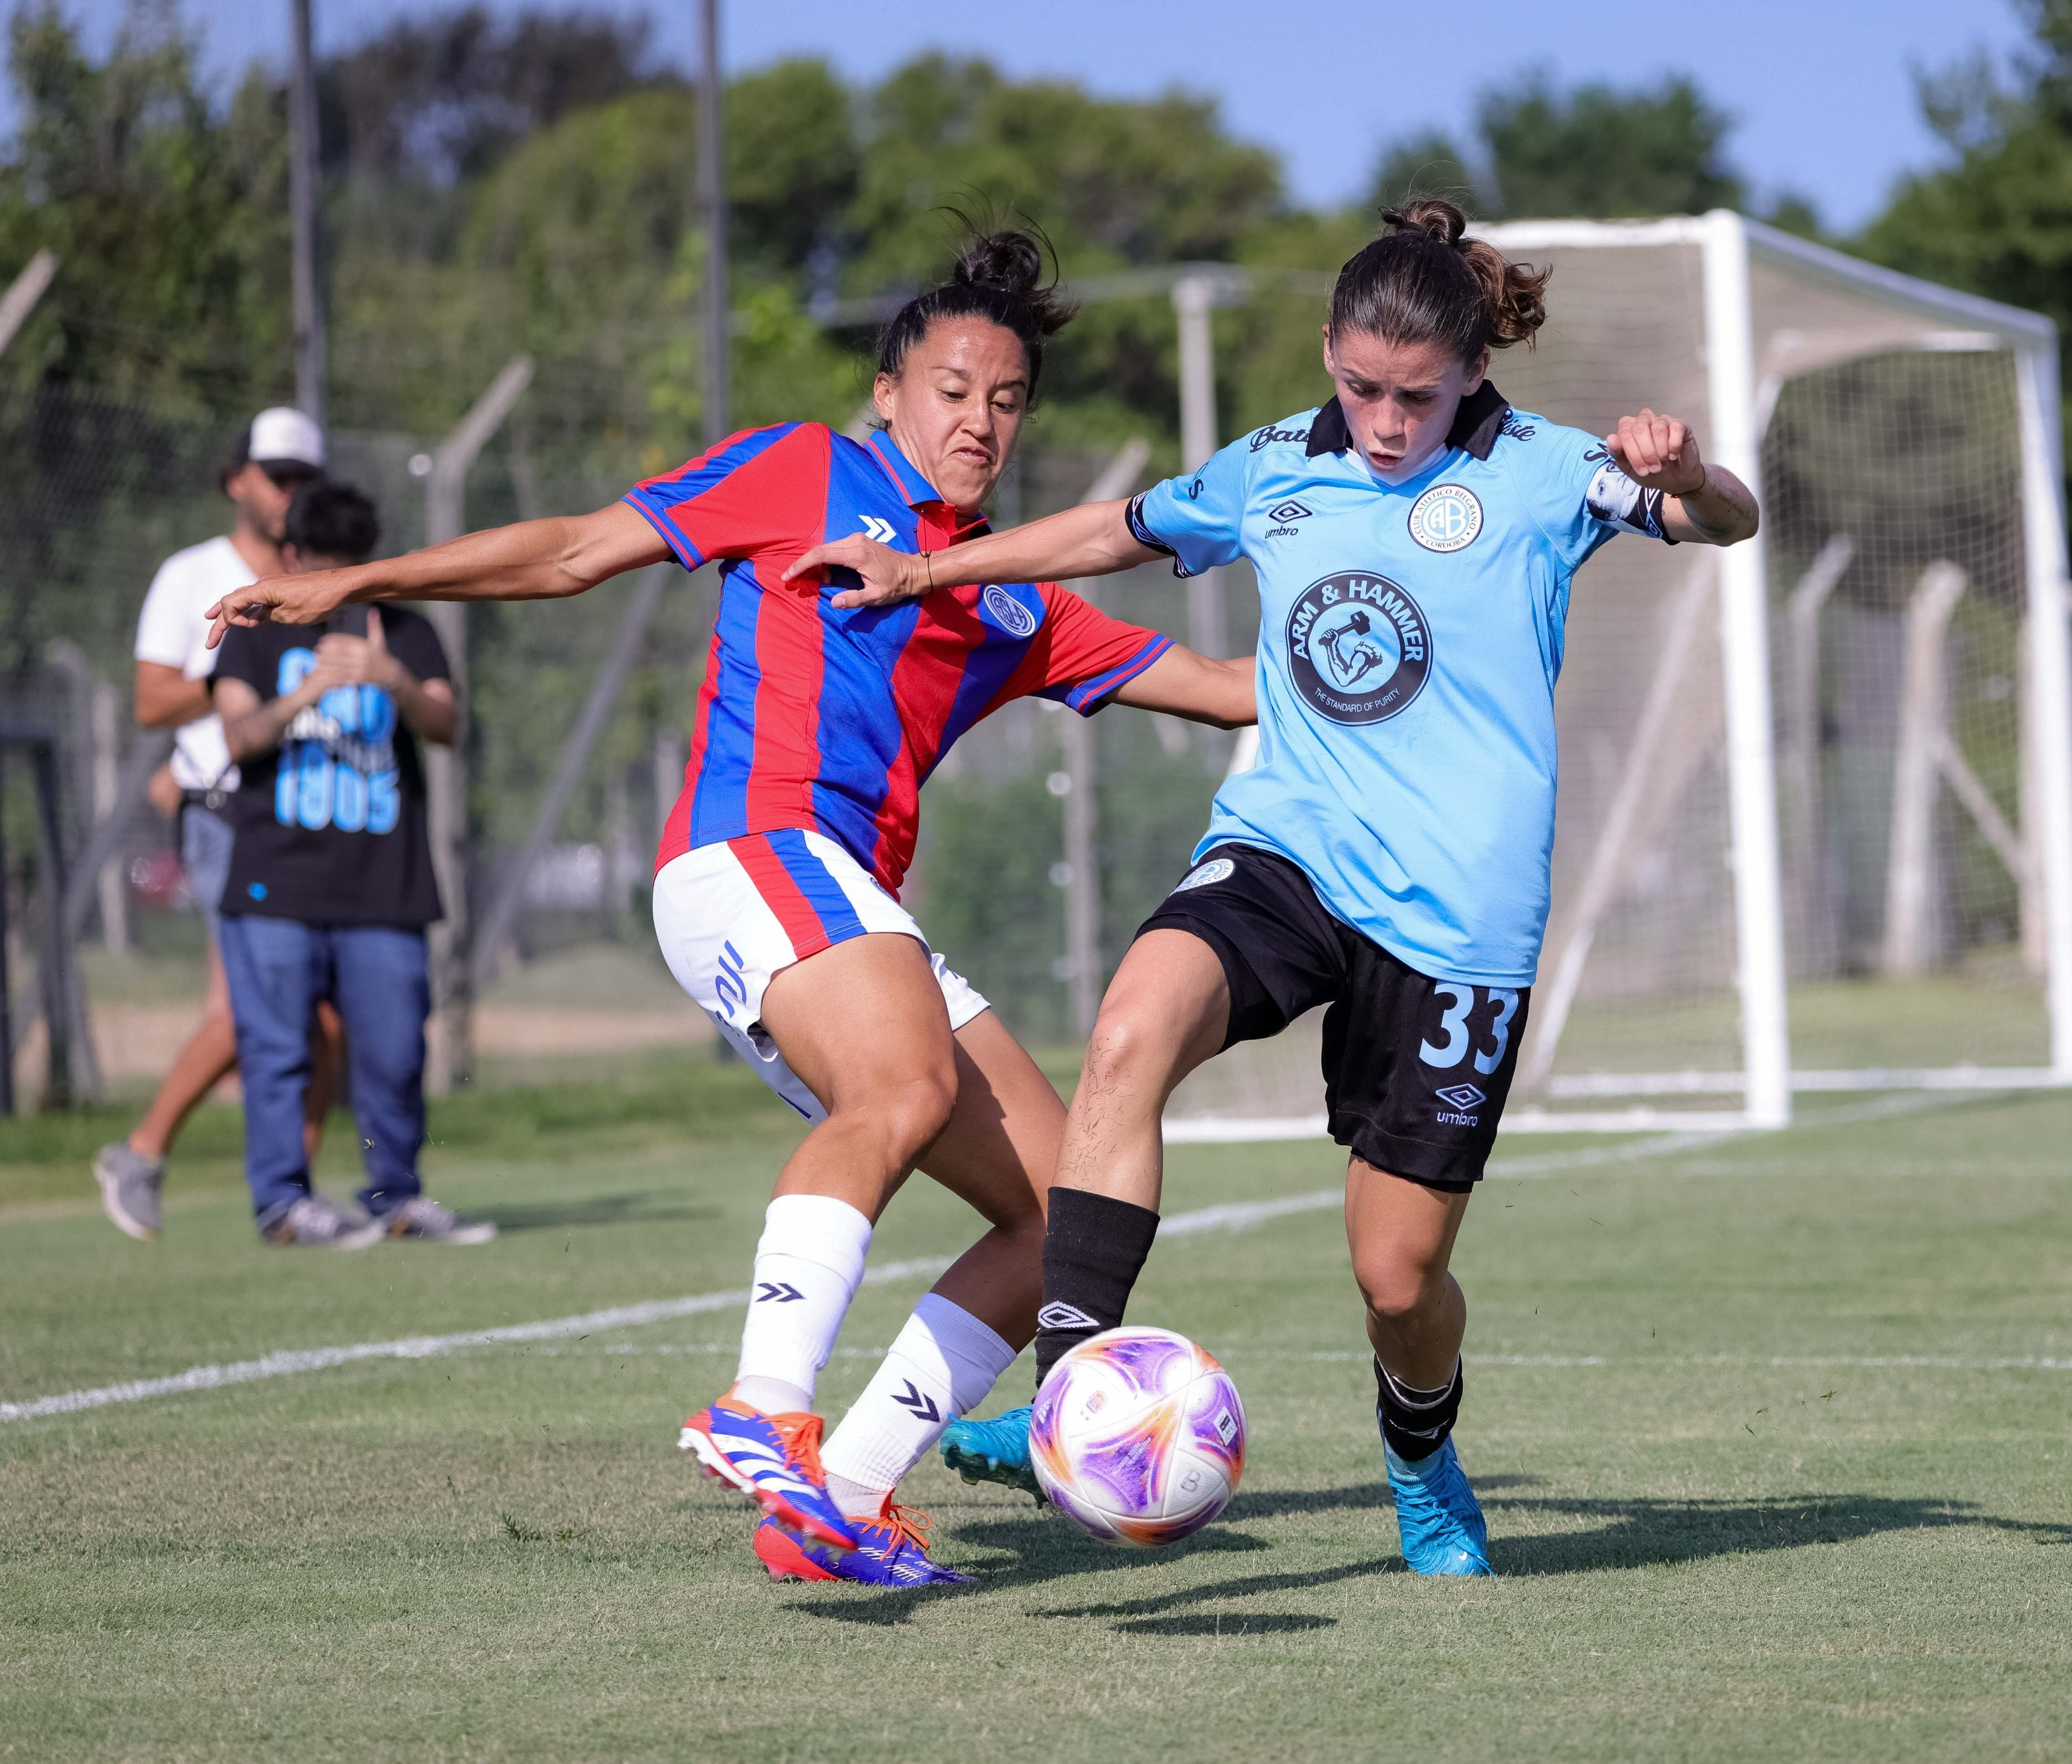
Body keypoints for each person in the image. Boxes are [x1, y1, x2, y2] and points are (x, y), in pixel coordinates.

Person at [209, 227, 1256, 1588]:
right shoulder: (803, 469)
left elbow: (1227, 688)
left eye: (1005, 401)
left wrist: (1404, 619)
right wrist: (358, 580)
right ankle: (763, 1403)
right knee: (899, 1082)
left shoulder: (1005, 595)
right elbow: (576, 551)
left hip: (846, 902)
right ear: (887, 392)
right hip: (748, 851)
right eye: (950, 389)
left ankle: (841, 1498)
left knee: (1062, 1211)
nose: (979, 422)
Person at [791, 200, 1761, 1577]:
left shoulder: (1554, 473)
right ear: (1326, 355)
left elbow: (1726, 524)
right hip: (1288, 851)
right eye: (1358, 386)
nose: (1380, 421)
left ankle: (1420, 1459)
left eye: (1414, 398)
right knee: (1130, 1030)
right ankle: (1077, 1390)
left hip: (1455, 920)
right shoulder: (1274, 465)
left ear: (1473, 376)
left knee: (1396, 1278)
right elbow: (1109, 533)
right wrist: (924, 565)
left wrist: (1694, 471)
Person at [210, 481, 485, 1248]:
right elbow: (238, 737)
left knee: (396, 1051)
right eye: (319, 563)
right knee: (276, 1051)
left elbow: (447, 725)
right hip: (275, 883)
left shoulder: (405, 631)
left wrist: (389, 677)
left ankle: (394, 1195)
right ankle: (282, 1203)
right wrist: (309, 690)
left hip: (383, 887)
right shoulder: (255, 634)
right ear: (290, 557)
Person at [96, 407, 344, 1241]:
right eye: (277, 476)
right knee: (253, 1005)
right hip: (225, 809)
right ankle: (141, 1149)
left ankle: (296, 1200)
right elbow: (152, 697)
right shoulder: (190, 573)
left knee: (328, 1015)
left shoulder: (323, 573)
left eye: (305, 478)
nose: (289, 494)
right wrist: (251, 666)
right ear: (238, 479)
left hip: (316, 811)